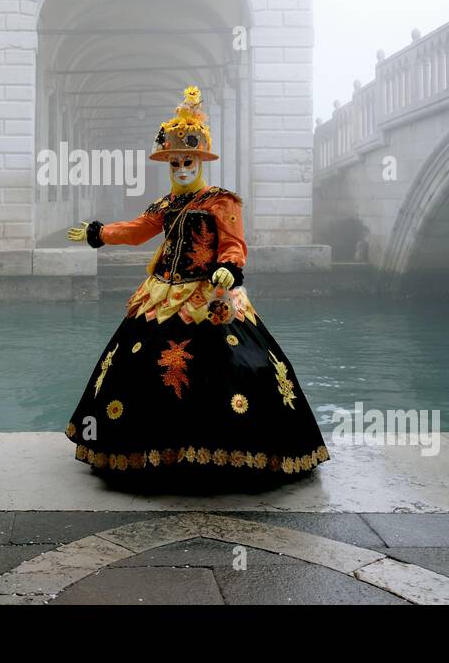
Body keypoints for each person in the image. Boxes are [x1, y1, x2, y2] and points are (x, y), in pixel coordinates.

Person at [64, 86, 330, 491]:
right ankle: (147, 451)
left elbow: (234, 244)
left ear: (200, 161)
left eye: (187, 161)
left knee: (237, 370)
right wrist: (99, 232)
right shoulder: (166, 204)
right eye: (175, 162)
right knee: (139, 368)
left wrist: (228, 268)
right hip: (163, 294)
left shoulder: (221, 202)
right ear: (168, 165)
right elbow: (137, 231)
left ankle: (229, 453)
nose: (182, 168)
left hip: (209, 295)